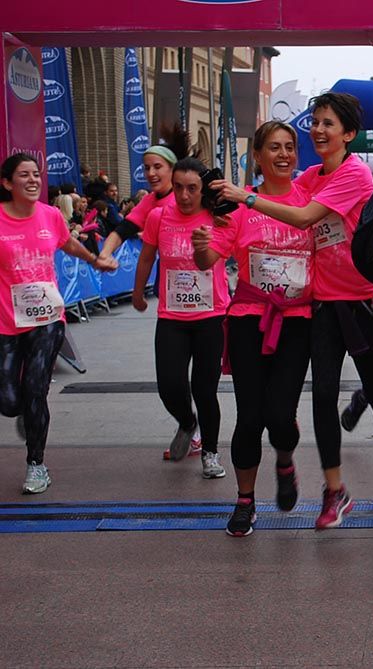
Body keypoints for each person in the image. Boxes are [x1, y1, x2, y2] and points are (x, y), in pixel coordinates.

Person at [210, 93, 373, 528]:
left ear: (348, 134)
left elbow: (303, 217)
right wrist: (220, 218)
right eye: (314, 122)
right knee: (324, 396)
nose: (317, 130)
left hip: (363, 299)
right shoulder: (312, 175)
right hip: (324, 303)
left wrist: (246, 198)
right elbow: (289, 193)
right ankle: (334, 491)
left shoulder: (353, 175)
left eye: (327, 123)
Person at [193, 121, 314, 537]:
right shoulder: (240, 207)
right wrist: (200, 247)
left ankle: (285, 458)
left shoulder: (309, 202)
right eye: (275, 148)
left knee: (281, 416)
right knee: (249, 418)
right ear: (257, 157)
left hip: (297, 322)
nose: (284, 155)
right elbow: (210, 260)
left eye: (290, 147)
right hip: (248, 319)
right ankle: (245, 500)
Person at [0, 153, 116, 494]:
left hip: (48, 320)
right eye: (25, 175)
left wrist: (96, 261)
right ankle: (26, 408)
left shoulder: (50, 216)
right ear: (8, 183)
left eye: (37, 174)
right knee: (9, 401)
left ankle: (36, 464)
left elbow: (69, 244)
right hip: (7, 322)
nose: (34, 180)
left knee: (36, 389)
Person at [132, 156, 230, 479]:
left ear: (204, 189)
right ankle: (188, 424)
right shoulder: (159, 216)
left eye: (192, 189)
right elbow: (147, 256)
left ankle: (211, 454)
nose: (184, 196)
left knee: (205, 389)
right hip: (172, 316)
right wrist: (137, 293)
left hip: (210, 316)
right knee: (169, 386)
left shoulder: (217, 216)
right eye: (178, 188)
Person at [98, 124, 188, 263]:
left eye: (157, 167)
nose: (151, 173)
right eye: (147, 168)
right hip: (168, 272)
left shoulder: (188, 197)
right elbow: (123, 230)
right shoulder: (149, 201)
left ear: (173, 168)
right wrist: (105, 253)